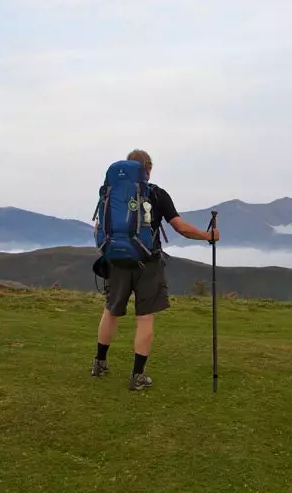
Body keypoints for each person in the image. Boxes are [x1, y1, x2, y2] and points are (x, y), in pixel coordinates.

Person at [91, 149, 219, 391]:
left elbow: (99, 228)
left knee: (111, 311)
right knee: (145, 317)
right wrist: (207, 236)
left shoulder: (111, 192)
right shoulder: (156, 194)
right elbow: (179, 227)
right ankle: (137, 376)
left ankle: (99, 363)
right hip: (147, 264)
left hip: (116, 262)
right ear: (147, 169)